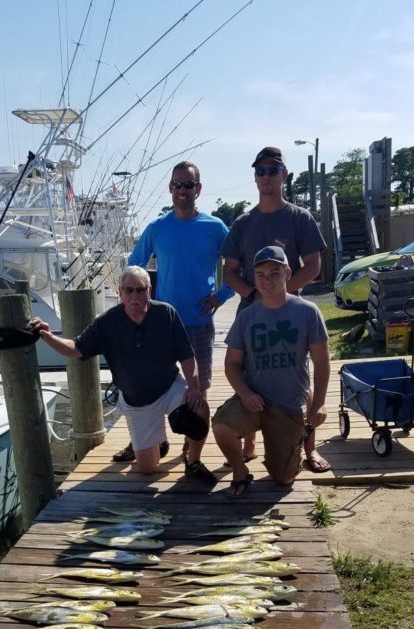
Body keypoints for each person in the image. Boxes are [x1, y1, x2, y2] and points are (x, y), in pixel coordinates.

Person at [28, 266, 209, 477]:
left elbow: (187, 356)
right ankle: (157, 443)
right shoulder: (107, 322)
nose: (135, 296)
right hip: (137, 400)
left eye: (140, 290)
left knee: (200, 407)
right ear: (120, 293)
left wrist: (194, 388)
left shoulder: (166, 313)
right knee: (147, 469)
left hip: (169, 386)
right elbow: (76, 348)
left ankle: (194, 460)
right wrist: (49, 337)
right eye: (129, 290)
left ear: (149, 291)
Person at [222, 145, 330, 473]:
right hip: (253, 310)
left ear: (284, 175)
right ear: (255, 178)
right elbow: (229, 271)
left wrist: (285, 293)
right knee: (252, 370)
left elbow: (314, 266)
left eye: (272, 170)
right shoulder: (243, 222)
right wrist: (257, 295)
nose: (266, 176)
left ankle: (308, 448)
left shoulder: (300, 218)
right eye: (260, 171)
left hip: (291, 310)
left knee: (299, 376)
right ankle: (251, 440)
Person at [127, 160, 233, 484]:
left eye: (188, 185)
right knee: (154, 382)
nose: (182, 190)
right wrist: (144, 300)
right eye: (177, 185)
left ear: (198, 189)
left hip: (199, 322)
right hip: (161, 324)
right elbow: (134, 265)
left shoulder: (215, 227)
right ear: (170, 188)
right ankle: (150, 439)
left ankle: (193, 448)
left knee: (197, 388)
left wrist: (222, 294)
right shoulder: (157, 228)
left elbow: (236, 264)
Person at [212, 245, 330, 496]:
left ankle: (297, 447)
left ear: (287, 273)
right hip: (254, 400)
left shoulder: (308, 312)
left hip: (288, 404)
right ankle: (239, 470)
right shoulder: (246, 317)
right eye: (260, 275)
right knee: (221, 426)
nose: (267, 280)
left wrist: (319, 403)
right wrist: (244, 394)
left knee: (283, 479)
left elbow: (321, 361)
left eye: (274, 273)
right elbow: (231, 364)